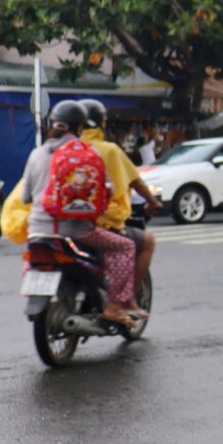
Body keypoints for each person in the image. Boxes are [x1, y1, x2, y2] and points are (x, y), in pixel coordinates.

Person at [17, 100, 140, 327]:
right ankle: (114, 306)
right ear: (81, 128)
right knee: (125, 246)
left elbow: (26, 197)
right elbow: (108, 190)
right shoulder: (87, 153)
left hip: (37, 231)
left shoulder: (36, 154)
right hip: (77, 231)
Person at [78, 99, 160, 307]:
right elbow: (135, 180)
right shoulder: (109, 150)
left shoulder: (63, 149)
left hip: (57, 223)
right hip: (101, 222)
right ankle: (124, 299)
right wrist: (153, 201)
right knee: (145, 242)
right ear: (102, 124)